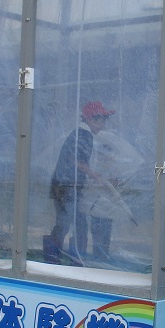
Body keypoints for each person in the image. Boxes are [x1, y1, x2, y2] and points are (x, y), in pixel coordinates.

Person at [45, 101, 114, 264]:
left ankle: (52, 258)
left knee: (63, 224)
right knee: (79, 225)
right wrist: (96, 175)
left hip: (62, 185)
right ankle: (75, 259)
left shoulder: (78, 134)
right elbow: (77, 161)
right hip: (68, 187)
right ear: (91, 120)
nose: (103, 125)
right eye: (101, 121)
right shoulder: (85, 135)